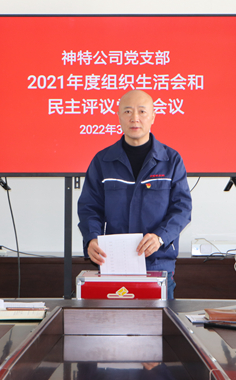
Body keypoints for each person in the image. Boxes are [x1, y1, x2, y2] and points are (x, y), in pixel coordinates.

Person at [77, 89, 192, 299]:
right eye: (128, 111)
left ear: (153, 116)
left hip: (158, 264)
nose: (135, 118)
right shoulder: (103, 161)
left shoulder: (171, 160)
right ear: (119, 116)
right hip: (113, 264)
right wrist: (91, 238)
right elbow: (89, 208)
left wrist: (160, 237)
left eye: (142, 111)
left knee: (159, 320)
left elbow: (182, 209)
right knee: (111, 320)